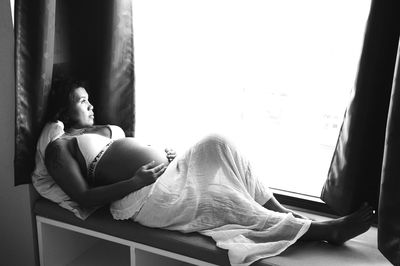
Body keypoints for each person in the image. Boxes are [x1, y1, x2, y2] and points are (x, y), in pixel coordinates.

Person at [43, 79, 374, 265]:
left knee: (216, 143)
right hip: (141, 199)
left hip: (161, 177)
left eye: (89, 100)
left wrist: (164, 156)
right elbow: (83, 198)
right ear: (64, 108)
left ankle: (289, 216)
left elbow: (126, 153)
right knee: (222, 201)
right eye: (82, 101)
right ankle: (322, 232)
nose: (90, 105)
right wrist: (135, 180)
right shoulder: (59, 146)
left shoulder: (100, 128)